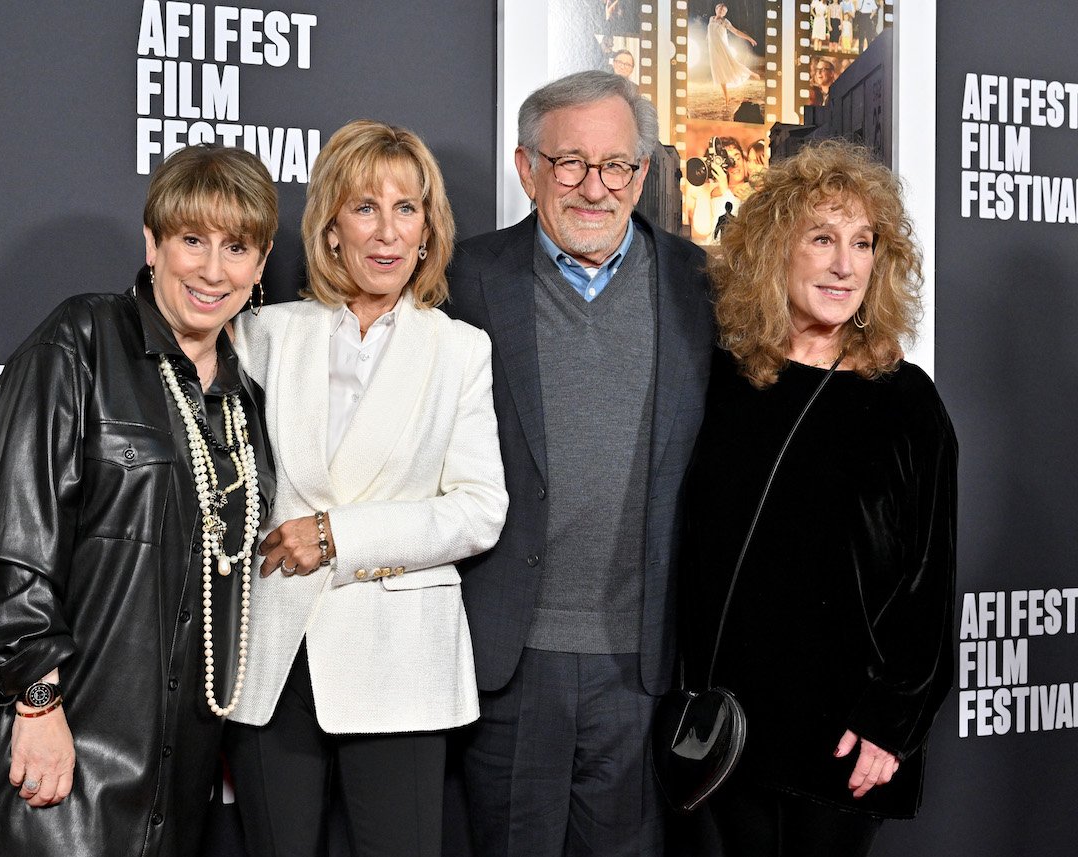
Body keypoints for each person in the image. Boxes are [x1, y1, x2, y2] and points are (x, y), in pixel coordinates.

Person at [0, 144, 279, 856]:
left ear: (260, 265)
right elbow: (13, 545)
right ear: (153, 243)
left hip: (171, 779)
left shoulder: (242, 404)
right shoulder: (80, 342)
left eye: (236, 247)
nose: (212, 270)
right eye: (192, 240)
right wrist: (38, 703)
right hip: (53, 748)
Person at [221, 119, 508, 857]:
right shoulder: (264, 335)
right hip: (273, 648)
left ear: (427, 229)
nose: (386, 232)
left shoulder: (459, 349)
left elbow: (479, 510)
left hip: (399, 658)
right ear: (330, 228)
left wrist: (338, 536)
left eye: (406, 208)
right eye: (364, 207)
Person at [448, 69, 715, 857]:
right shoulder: (462, 279)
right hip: (507, 658)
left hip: (644, 667)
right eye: (568, 163)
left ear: (642, 173)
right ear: (527, 168)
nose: (592, 187)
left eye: (616, 166)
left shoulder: (702, 284)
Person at [684, 139, 957, 857]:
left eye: (863, 243)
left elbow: (929, 583)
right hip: (731, 723)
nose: (845, 264)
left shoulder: (905, 402)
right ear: (776, 250)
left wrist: (890, 722)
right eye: (823, 238)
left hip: (844, 735)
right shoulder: (724, 382)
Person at [683, 135, 754, 245]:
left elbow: (736, 234)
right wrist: (705, 185)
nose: (734, 164)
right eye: (728, 160)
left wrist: (726, 191)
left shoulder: (752, 191)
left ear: (744, 160)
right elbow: (703, 229)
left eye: (737, 157)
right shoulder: (710, 191)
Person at [708, 3, 760, 114]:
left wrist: (749, 38)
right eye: (720, 9)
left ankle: (751, 73)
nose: (721, 11)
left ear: (725, 13)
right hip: (713, 50)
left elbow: (736, 32)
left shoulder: (725, 22)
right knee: (719, 73)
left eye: (724, 10)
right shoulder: (711, 19)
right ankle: (726, 97)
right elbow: (710, 34)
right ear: (716, 9)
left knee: (732, 64)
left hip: (722, 49)